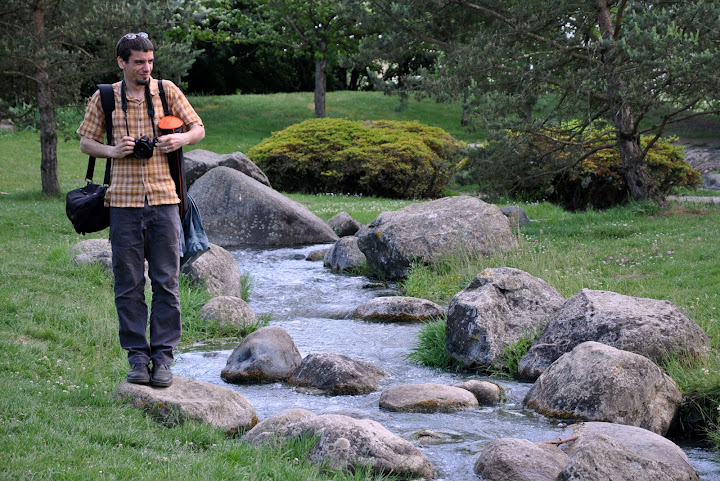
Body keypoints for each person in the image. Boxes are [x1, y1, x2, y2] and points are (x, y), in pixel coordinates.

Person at [77, 32, 205, 387]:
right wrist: (114, 151)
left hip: (165, 200)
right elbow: (86, 141)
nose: (146, 67)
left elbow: (198, 128)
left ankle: (163, 358)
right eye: (138, 62)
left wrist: (180, 138)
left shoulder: (167, 91)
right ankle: (137, 358)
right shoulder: (105, 97)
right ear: (122, 62)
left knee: (167, 283)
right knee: (129, 285)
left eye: (150, 61)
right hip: (123, 203)